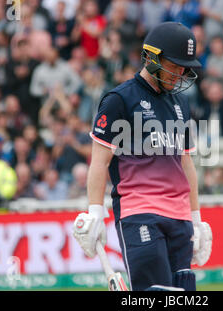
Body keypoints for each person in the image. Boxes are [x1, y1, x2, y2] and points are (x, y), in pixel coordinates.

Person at [72, 22, 212, 291]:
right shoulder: (119, 99)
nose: (181, 73)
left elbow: (186, 164)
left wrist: (196, 218)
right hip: (140, 213)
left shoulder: (181, 103)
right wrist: (94, 213)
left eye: (185, 67)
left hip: (180, 217)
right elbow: (100, 161)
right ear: (152, 57)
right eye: (175, 64)